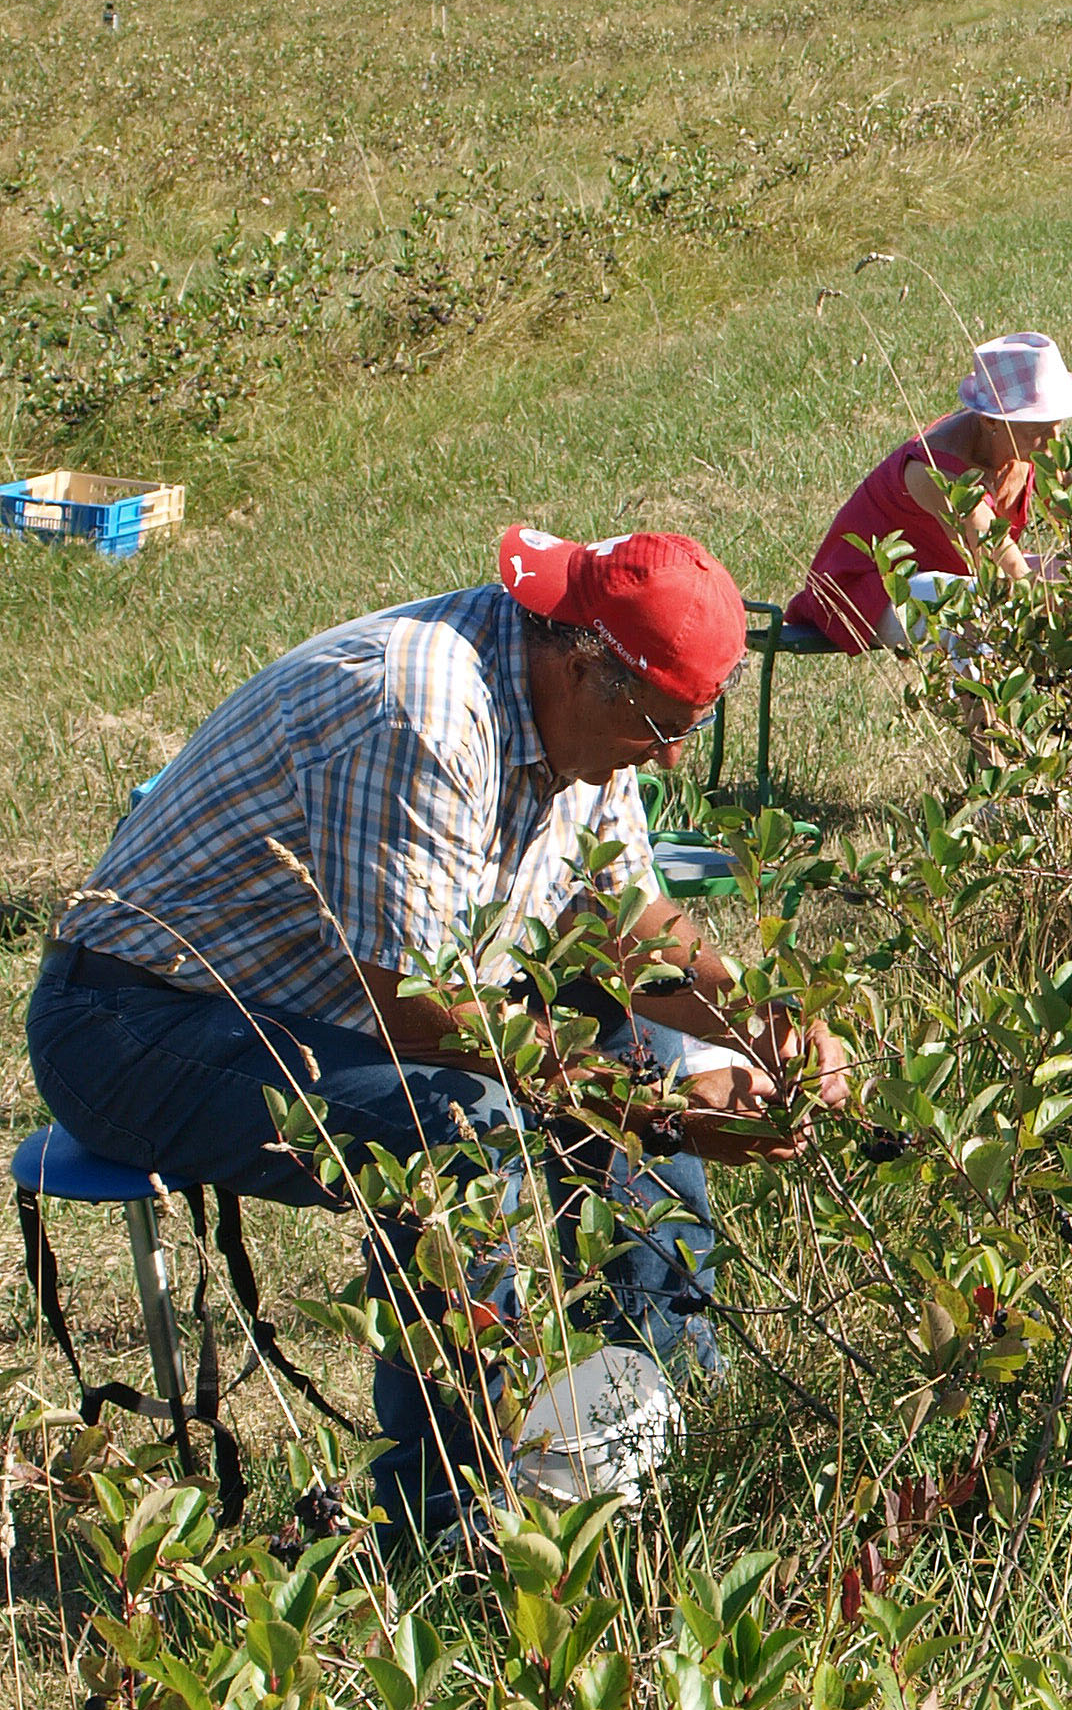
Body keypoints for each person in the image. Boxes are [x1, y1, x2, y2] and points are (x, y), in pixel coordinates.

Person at [26, 526, 850, 1541]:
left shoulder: (593, 711)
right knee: (464, 1127)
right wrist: (662, 1109)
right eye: (659, 722)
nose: (671, 754)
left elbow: (617, 920)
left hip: (306, 1008)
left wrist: (766, 1018)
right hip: (130, 1021)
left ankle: (673, 1409)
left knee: (656, 1050)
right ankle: (452, 1513)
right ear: (580, 658)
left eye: (692, 725)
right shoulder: (419, 711)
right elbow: (414, 1012)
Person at [786, 332, 1072, 653]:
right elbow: (1006, 569)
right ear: (991, 422)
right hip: (864, 591)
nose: (1053, 438)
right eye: (1038, 428)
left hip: (944, 579)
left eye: (1057, 423)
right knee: (978, 612)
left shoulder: (1028, 444)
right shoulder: (940, 470)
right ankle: (984, 705)